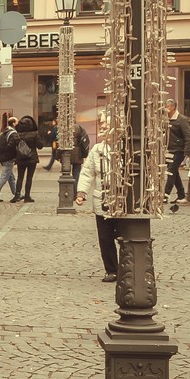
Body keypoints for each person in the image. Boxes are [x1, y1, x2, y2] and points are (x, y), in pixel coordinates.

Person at [75, 116, 118, 282]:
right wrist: (81, 193)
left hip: (122, 199)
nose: (103, 128)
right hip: (103, 198)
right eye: (102, 125)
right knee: (105, 238)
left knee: (124, 236)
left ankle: (129, 267)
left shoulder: (125, 148)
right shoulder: (97, 149)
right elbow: (87, 173)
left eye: (107, 124)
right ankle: (112, 270)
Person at [164, 98, 190, 204]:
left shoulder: (181, 119)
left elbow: (188, 136)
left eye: (167, 106)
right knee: (174, 172)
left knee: (171, 171)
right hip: (169, 149)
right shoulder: (165, 118)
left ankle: (165, 195)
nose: (165, 108)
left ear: (172, 107)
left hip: (178, 150)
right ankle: (181, 194)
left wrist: (188, 151)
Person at [10, 115, 43, 202]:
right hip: (32, 158)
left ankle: (17, 195)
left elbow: (12, 146)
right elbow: (40, 146)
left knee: (20, 177)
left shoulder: (17, 135)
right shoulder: (35, 134)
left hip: (20, 158)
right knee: (29, 178)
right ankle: (27, 196)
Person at [0, 117, 19, 203]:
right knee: (4, 177)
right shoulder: (12, 133)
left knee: (11, 177)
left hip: (3, 157)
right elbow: (13, 146)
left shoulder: (3, 132)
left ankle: (16, 193)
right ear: (14, 123)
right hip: (8, 158)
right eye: (17, 122)